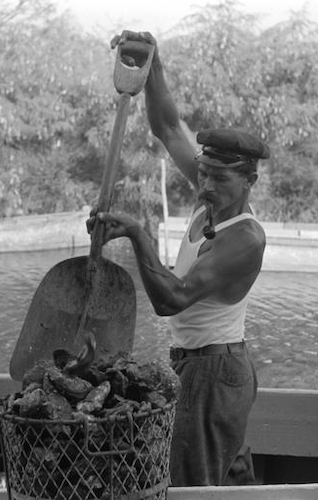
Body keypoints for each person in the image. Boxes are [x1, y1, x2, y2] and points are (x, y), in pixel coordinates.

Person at [88, 30, 270, 487]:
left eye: (220, 179)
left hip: (214, 371)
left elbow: (172, 299)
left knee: (191, 483)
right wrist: (154, 63)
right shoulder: (210, 198)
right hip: (200, 365)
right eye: (203, 173)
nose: (205, 185)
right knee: (228, 476)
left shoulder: (244, 238)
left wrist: (137, 234)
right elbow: (168, 127)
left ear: (248, 181)